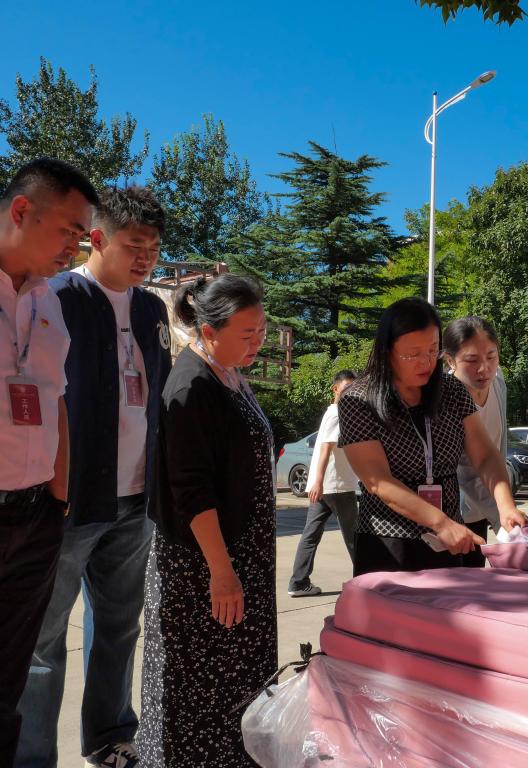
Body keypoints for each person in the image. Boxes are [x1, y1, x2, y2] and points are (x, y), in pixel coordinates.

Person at [16, 187, 170, 768]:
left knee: (120, 626)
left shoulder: (152, 310)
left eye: (153, 249)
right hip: (68, 498)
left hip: (135, 498)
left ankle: (110, 738)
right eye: (134, 246)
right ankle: (32, 756)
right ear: (98, 239)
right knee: (43, 639)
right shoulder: (56, 297)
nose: (145, 259)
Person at [137, 275, 277, 767]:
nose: (258, 342)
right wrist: (222, 571)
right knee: (197, 691)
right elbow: (191, 491)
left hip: (239, 557)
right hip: (204, 568)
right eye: (247, 333)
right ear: (210, 331)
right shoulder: (191, 385)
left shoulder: (228, 373)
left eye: (262, 331)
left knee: (236, 685)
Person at [0, 159, 96, 768]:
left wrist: (58, 500)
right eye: (69, 230)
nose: (76, 246)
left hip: (35, 518)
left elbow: (54, 399)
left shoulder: (47, 302)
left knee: (9, 681)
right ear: (21, 210)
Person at [339, 297, 527, 575]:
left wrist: (506, 506)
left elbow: (485, 455)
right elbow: (377, 481)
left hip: (449, 542)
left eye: (432, 350)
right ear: (387, 351)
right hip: (388, 541)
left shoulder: (452, 390)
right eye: (412, 354)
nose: (426, 362)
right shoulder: (358, 399)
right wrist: (440, 522)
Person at [287, 370, 359, 597]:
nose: (350, 392)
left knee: (311, 534)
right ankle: (366, 581)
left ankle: (298, 583)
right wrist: (318, 480)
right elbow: (327, 448)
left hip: (325, 486)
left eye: (353, 388)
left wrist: (317, 483)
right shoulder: (338, 413)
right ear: (335, 389)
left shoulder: (332, 412)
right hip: (336, 485)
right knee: (355, 536)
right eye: (346, 388)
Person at [443, 316, 508, 567]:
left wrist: (504, 506)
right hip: (454, 514)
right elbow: (468, 470)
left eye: (491, 356)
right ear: (450, 360)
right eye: (472, 360)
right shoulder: (444, 398)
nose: (484, 369)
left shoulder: (498, 381)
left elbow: (495, 452)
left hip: (490, 502)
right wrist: (502, 513)